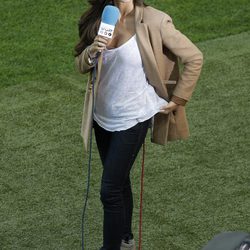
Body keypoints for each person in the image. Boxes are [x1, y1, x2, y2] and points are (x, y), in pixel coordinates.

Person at [74, 0, 203, 249]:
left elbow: (194, 57)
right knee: (120, 181)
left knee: (109, 190)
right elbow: (80, 64)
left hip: (134, 118)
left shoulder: (154, 21)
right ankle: (125, 239)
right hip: (102, 117)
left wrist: (178, 99)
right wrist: (92, 51)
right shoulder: (100, 18)